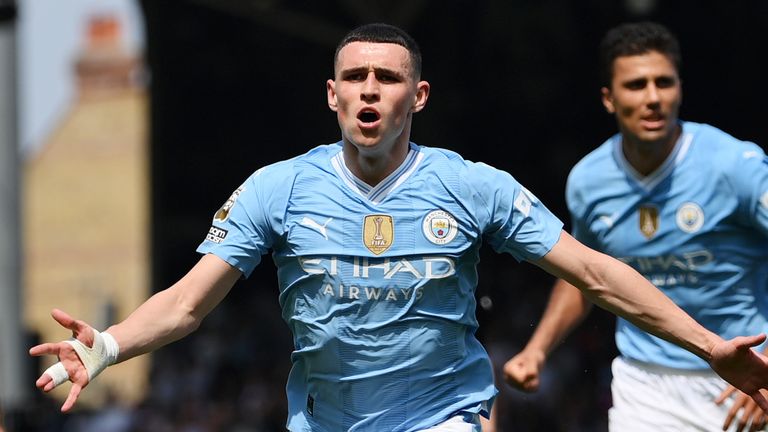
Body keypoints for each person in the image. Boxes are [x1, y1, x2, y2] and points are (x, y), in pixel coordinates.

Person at [29, 22, 768, 432]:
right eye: (356, 78)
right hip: (324, 421)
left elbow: (596, 274)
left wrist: (710, 346)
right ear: (332, 95)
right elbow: (189, 303)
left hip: (442, 415)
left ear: (418, 95)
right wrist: (113, 346)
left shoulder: (471, 186)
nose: (369, 91)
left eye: (386, 78)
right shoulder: (278, 189)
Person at [503, 21, 768, 432]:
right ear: (609, 99)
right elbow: (584, 274)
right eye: (636, 85)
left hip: (743, 379)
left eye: (664, 83)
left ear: (680, 88)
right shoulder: (588, 181)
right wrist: (537, 350)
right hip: (644, 384)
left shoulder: (736, 166)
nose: (653, 98)